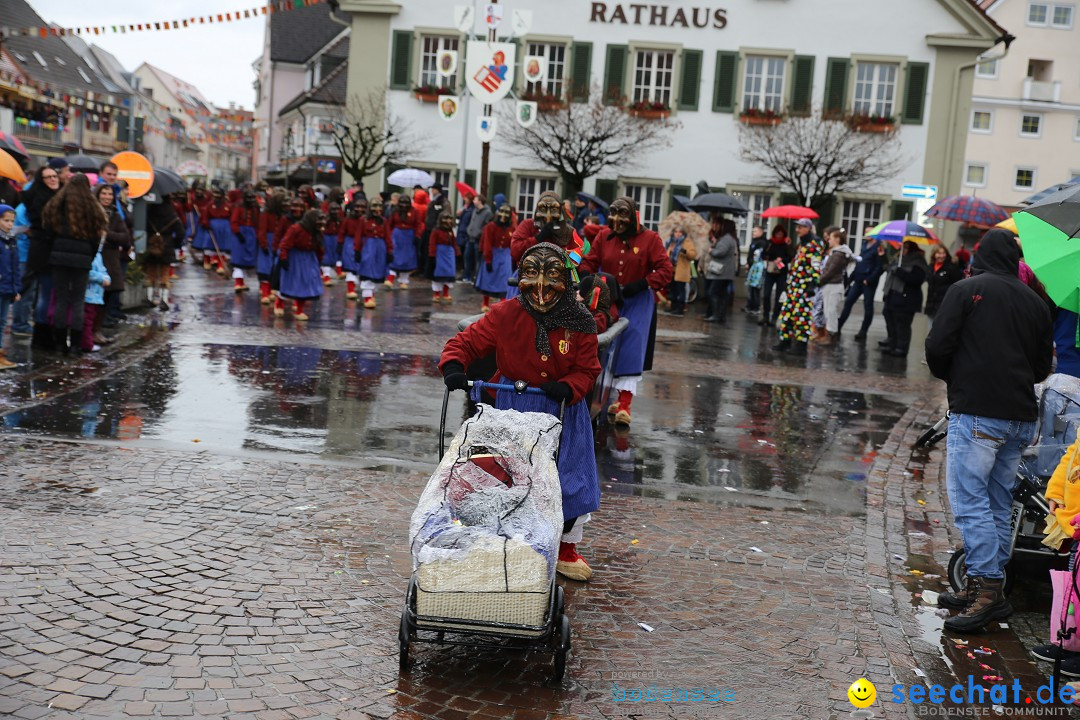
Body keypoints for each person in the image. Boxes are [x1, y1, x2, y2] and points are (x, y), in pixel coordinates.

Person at [440, 242, 602, 581]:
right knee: (508, 476)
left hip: (562, 411)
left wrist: (570, 385)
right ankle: (510, 541)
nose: (540, 289)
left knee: (568, 479)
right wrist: (455, 365)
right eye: (531, 275)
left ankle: (566, 547)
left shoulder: (580, 321)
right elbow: (467, 341)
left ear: (566, 281)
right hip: (513, 407)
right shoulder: (506, 313)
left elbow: (588, 368)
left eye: (551, 277)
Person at [925, 228, 1053, 632]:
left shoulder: (967, 290)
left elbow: (937, 346)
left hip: (978, 410)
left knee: (970, 499)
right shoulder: (1035, 302)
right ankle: (986, 585)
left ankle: (987, 588)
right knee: (998, 501)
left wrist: (959, 380)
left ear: (979, 256)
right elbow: (1040, 368)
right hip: (1019, 415)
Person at [579, 196, 673, 425]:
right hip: (609, 298)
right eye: (613, 214)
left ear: (633, 217)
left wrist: (642, 283)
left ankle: (624, 405)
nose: (617, 220)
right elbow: (588, 262)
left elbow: (665, 269)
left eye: (623, 215)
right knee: (605, 346)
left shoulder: (650, 239)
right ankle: (602, 397)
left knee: (631, 347)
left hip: (637, 301)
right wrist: (588, 280)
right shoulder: (603, 236)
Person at [43, 174, 106, 353]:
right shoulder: (92, 207)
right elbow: (96, 238)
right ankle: (76, 346)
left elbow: (48, 230)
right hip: (82, 260)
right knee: (78, 301)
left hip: (59, 258)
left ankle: (60, 344)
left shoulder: (57, 204)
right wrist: (89, 256)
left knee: (61, 300)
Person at [14, 165, 61, 346]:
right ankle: (30, 327)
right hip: (36, 252)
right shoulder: (36, 199)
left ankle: (38, 327)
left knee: (43, 293)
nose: (53, 179)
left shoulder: (59, 197)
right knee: (36, 293)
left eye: (54, 175)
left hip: (44, 251)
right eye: (48, 177)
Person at [773, 219, 823, 356]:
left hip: (804, 285)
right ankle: (785, 340)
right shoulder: (802, 245)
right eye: (797, 227)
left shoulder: (814, 245)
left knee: (802, 315)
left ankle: (801, 344)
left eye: (800, 227)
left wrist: (812, 283)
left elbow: (816, 265)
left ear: (808, 228)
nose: (797, 230)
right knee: (787, 313)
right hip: (794, 284)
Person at [879, 241, 928, 357]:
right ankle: (892, 344)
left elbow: (917, 280)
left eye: (906, 248)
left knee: (902, 325)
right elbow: (888, 268)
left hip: (906, 299)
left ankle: (901, 348)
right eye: (902, 247)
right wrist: (882, 257)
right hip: (892, 296)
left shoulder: (918, 262)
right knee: (890, 321)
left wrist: (900, 272)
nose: (903, 250)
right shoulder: (899, 259)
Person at [278, 209, 325, 321]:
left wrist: (319, 263)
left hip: (309, 259)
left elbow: (319, 248)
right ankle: (279, 301)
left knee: (306, 284)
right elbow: (284, 244)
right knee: (292, 283)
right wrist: (284, 258)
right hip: (295, 258)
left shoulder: (317, 232)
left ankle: (300, 310)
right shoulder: (295, 229)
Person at [838, 233, 886, 341]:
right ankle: (839, 326)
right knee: (848, 302)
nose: (867, 234)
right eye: (866, 232)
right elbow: (861, 262)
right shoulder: (864, 245)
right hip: (858, 280)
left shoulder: (879, 247)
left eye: (870, 232)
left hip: (868, 282)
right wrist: (852, 277)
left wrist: (869, 279)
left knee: (868, 306)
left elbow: (880, 267)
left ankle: (863, 331)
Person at [92, 184, 131, 314]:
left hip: (110, 260)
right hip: (94, 259)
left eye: (110, 194)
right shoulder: (90, 212)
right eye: (104, 193)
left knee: (108, 296)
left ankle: (98, 329)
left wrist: (107, 234)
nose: (107, 197)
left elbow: (125, 238)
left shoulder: (115, 214)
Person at [815, 227, 853, 346]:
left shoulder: (839, 254)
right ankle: (827, 335)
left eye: (830, 238)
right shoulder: (836, 252)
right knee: (827, 311)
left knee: (831, 311)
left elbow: (830, 271)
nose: (828, 241)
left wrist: (818, 281)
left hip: (834, 286)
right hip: (830, 285)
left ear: (837, 239)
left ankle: (831, 336)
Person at [145, 198, 183, 310]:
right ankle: (164, 299)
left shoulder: (149, 212)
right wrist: (174, 243)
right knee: (165, 274)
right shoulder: (172, 214)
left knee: (150, 273)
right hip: (167, 247)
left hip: (151, 246)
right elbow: (181, 232)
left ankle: (149, 298)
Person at [475, 203, 514, 312]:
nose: (503, 215)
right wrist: (488, 260)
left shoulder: (512, 228)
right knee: (489, 278)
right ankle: (485, 302)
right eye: (502, 211)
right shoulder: (490, 226)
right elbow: (487, 243)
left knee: (504, 279)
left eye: (507, 213)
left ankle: (502, 302)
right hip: (493, 254)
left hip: (505, 256)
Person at [354, 196, 391, 309]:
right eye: (375, 206)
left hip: (380, 248)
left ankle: (372, 294)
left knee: (378, 272)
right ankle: (367, 297)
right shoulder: (364, 220)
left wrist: (390, 251)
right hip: (368, 247)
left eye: (379, 206)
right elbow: (358, 236)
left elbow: (388, 236)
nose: (377, 208)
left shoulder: (384, 221)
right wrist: (357, 250)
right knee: (367, 271)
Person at [703, 219, 737, 322]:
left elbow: (720, 252)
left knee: (713, 292)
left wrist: (711, 250)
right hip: (726, 272)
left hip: (721, 271)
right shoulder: (730, 238)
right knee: (722, 294)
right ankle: (720, 315)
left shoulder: (726, 239)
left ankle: (716, 315)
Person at [386, 194, 423, 289]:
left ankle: (404, 280)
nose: (404, 205)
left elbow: (418, 224)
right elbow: (390, 224)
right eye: (402, 203)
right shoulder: (395, 211)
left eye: (406, 203)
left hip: (409, 236)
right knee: (394, 256)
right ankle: (390, 278)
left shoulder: (414, 211)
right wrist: (388, 236)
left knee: (407, 258)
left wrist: (417, 235)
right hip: (397, 235)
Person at [759, 225, 792, 327]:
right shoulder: (770, 243)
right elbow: (763, 255)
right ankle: (765, 316)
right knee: (766, 294)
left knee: (779, 296)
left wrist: (782, 259)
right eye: (777, 233)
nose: (779, 235)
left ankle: (774, 317)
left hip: (781, 272)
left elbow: (790, 256)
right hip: (770, 270)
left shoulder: (786, 244)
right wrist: (770, 258)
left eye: (781, 234)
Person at [257, 190, 286, 304]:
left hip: (279, 242)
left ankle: (273, 290)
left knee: (276, 268)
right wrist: (264, 244)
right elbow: (262, 230)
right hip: (268, 242)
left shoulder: (283, 215)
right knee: (265, 268)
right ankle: (265, 293)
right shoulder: (266, 214)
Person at [80, 244, 110, 353]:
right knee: (87, 320)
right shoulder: (92, 254)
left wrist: (106, 277)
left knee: (90, 318)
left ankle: (87, 341)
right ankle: (87, 344)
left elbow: (103, 270)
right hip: (89, 294)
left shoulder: (98, 255)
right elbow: (89, 272)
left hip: (97, 295)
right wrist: (102, 278)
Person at [229, 189, 259, 293]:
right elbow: (234, 221)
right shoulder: (239, 208)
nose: (251, 200)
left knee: (247, 260)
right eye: (248, 198)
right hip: (240, 233)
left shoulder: (255, 209)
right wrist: (238, 233)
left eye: (252, 198)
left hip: (251, 234)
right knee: (238, 259)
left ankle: (242, 282)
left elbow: (257, 222)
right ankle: (238, 282)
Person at [924, 246, 963, 325]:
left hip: (944, 306)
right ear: (934, 255)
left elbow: (958, 284)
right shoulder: (930, 267)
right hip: (931, 306)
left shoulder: (951, 267)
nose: (941, 256)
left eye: (943, 253)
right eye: (938, 253)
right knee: (931, 332)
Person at [0, 204, 19, 369]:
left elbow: (15, 267)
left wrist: (16, 288)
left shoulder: (11, 240)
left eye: (12, 221)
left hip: (7, 287)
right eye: (6, 220)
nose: (9, 224)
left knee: (3, 321)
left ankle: (0, 354)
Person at [663, 228, 697, 317]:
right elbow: (666, 253)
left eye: (680, 232)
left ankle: (680, 308)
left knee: (681, 290)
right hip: (672, 269)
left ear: (683, 233)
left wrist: (685, 252)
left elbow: (693, 255)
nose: (677, 234)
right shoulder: (671, 242)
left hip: (681, 270)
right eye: (676, 232)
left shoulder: (687, 242)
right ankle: (673, 307)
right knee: (673, 289)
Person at [428, 211, 459, 304]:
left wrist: (457, 253)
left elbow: (454, 242)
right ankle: (436, 293)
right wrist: (432, 255)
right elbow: (432, 244)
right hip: (440, 254)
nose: (448, 221)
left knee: (449, 273)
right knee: (439, 273)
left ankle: (446, 293)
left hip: (449, 254)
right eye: (445, 218)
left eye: (449, 218)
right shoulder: (436, 231)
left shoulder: (450, 231)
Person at [466, 194, 493, 284]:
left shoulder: (487, 212)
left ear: (480, 201)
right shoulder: (474, 210)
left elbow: (486, 227)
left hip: (478, 239)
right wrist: (469, 230)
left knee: (478, 260)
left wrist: (479, 234)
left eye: (475, 200)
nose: (473, 201)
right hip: (470, 238)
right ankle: (468, 276)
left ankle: (476, 278)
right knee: (467, 257)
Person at [744, 225, 767, 314]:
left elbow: (757, 255)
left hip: (758, 268)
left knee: (756, 288)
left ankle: (755, 306)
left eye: (756, 231)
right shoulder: (754, 242)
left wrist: (751, 262)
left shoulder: (762, 243)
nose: (753, 233)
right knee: (751, 287)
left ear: (761, 232)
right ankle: (750, 305)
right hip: (752, 267)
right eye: (753, 231)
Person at [319, 201, 343, 286]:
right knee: (326, 258)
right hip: (327, 239)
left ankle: (339, 271)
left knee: (338, 255)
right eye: (333, 210)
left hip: (336, 238)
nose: (335, 212)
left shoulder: (340, 220)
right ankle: (327, 276)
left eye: (337, 210)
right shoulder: (326, 220)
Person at [455, 191, 475, 282]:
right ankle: (464, 273)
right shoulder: (465, 208)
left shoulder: (471, 209)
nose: (464, 199)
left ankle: (467, 274)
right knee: (463, 255)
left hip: (465, 234)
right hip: (461, 233)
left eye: (466, 198)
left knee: (467, 256)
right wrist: (459, 215)